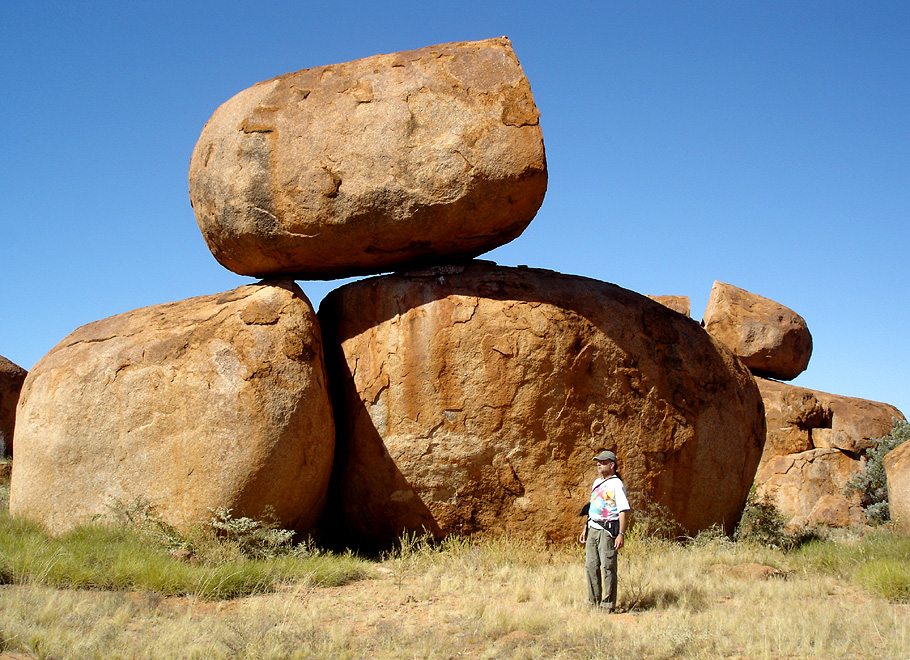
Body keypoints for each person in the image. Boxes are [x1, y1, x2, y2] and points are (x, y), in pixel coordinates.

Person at [579, 449, 630, 611]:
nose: (598, 464)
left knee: (608, 566)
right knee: (591, 565)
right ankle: (593, 601)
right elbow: (592, 506)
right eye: (598, 462)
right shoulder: (597, 483)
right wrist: (585, 528)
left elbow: (623, 511)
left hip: (607, 531)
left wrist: (621, 534)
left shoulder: (617, 485)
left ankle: (608, 604)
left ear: (612, 464)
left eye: (602, 462)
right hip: (593, 527)